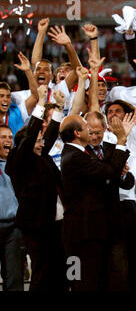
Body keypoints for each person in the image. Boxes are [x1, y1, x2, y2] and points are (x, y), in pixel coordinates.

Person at [5, 86, 67, 291]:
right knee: (42, 273)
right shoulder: (19, 159)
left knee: (58, 272)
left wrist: (58, 107)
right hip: (37, 226)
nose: (42, 143)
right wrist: (40, 104)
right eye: (38, 141)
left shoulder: (43, 158)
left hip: (55, 225)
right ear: (27, 143)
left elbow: (48, 135)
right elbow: (32, 135)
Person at [59, 113, 130, 291]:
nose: (89, 130)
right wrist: (121, 139)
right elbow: (109, 171)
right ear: (77, 133)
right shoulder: (75, 156)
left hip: (92, 230)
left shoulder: (74, 153)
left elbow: (110, 172)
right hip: (82, 233)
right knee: (85, 282)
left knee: (96, 280)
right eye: (85, 127)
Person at [0, 124, 23, 291]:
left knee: (14, 277)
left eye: (10, 137)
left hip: (14, 228)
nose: (8, 140)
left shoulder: (19, 165)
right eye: (3, 137)